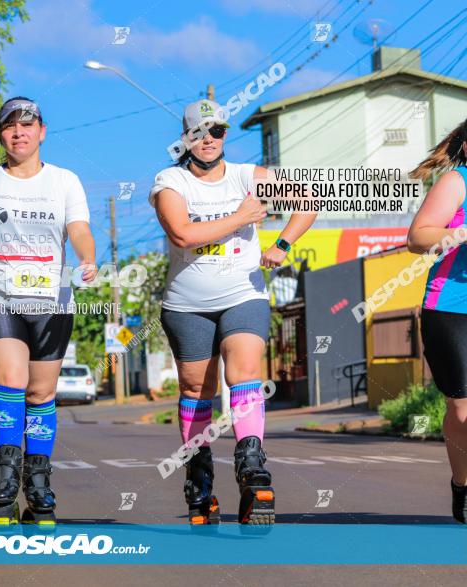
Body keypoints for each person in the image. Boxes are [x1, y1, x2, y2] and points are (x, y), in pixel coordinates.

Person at [149, 99, 317, 525]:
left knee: (243, 373)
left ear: (226, 135)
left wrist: (282, 244)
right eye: (199, 132)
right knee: (195, 389)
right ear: (185, 138)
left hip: (244, 293)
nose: (208, 139)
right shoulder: (169, 181)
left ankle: (252, 467)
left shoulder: (248, 176)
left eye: (217, 131)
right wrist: (242, 215)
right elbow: (184, 234)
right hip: (187, 304)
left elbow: (312, 198)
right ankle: (200, 477)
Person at [0, 96, 97, 526]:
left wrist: (87, 257)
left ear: (42, 132)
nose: (19, 132)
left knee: (41, 394)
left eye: (27, 125)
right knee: (11, 377)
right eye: (9, 126)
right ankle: (6, 480)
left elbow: (78, 228)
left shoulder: (65, 181)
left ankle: (39, 485)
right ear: (0, 135)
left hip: (52, 301)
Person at [407, 117, 467, 524]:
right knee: (463, 411)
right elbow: (418, 236)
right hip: (451, 307)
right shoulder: (457, 182)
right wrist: (460, 236)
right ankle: (462, 486)